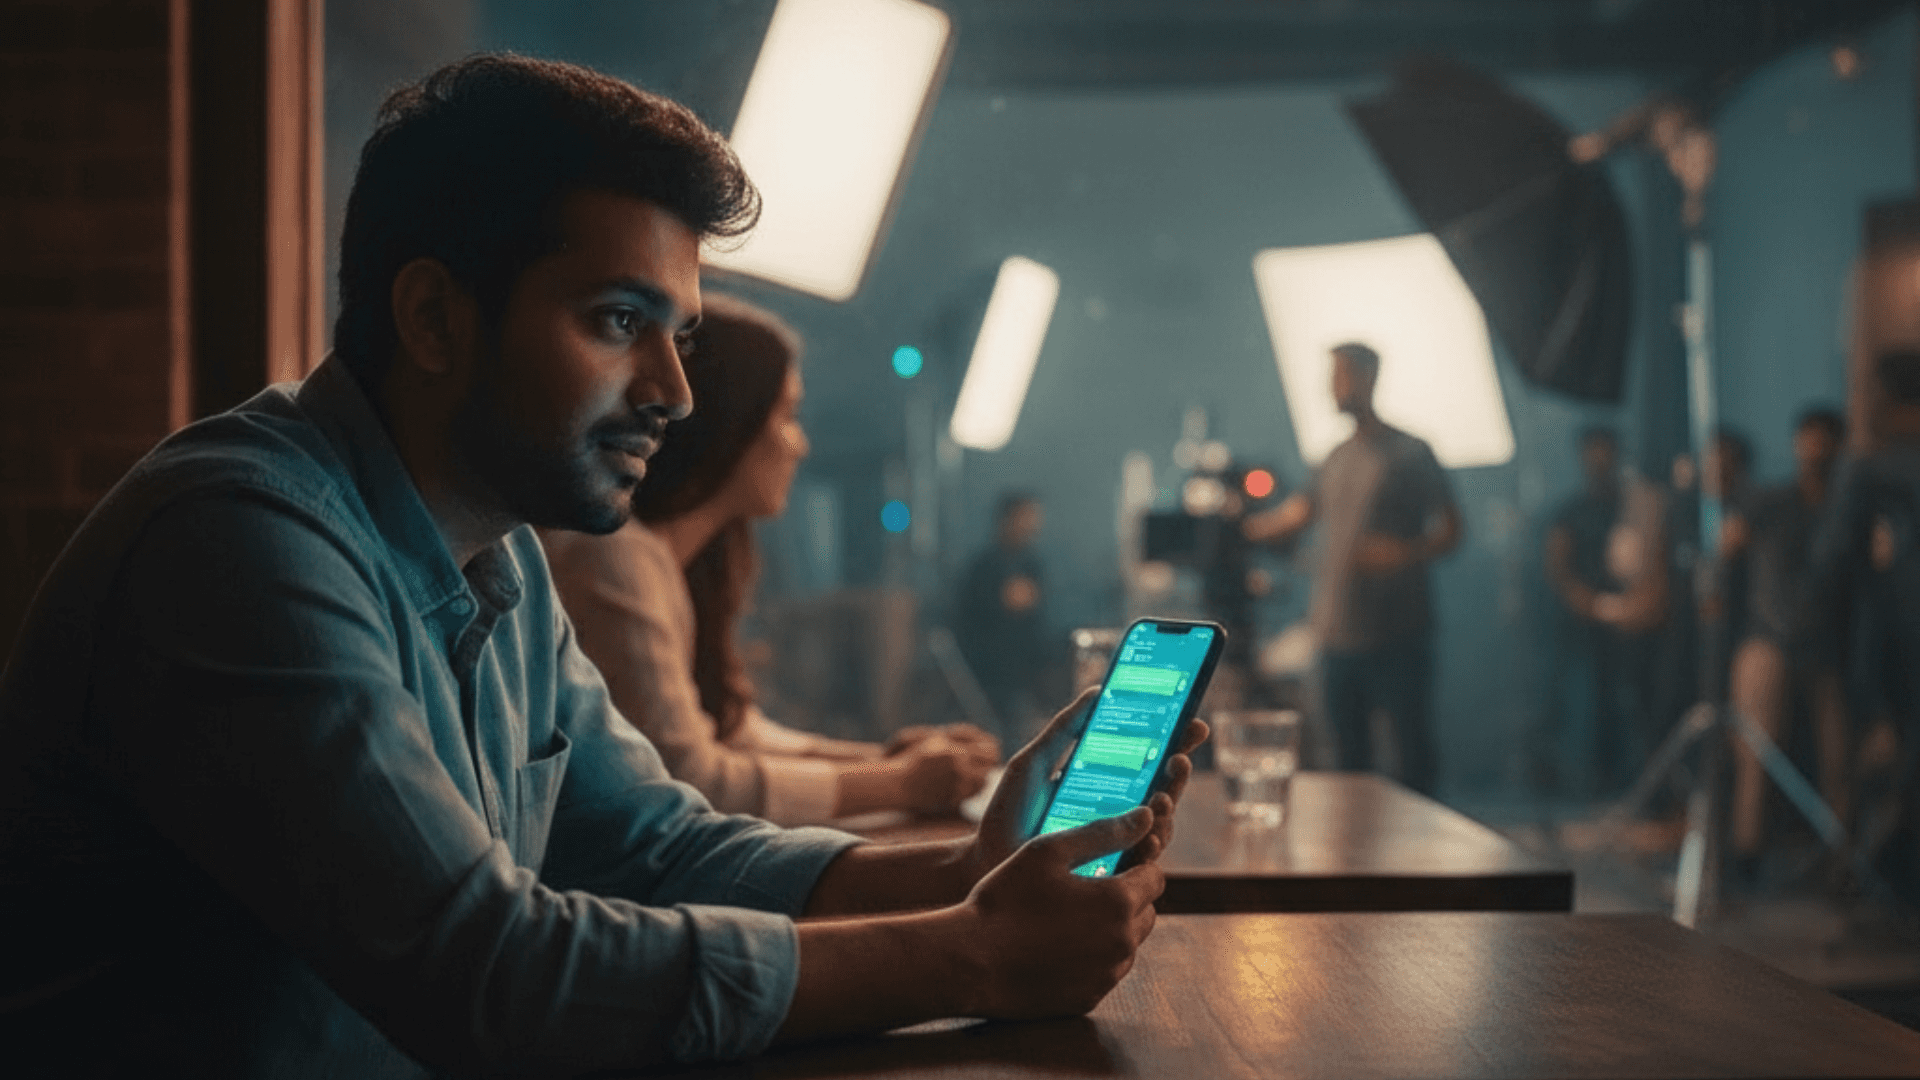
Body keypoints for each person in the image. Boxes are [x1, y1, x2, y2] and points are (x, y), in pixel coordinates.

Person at [0, 56, 1197, 1077]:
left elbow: (660, 849)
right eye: (618, 322)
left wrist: (966, 866)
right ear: (431, 319)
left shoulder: (496, 548)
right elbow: (489, 975)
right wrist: (973, 949)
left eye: (677, 337)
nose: (675, 395)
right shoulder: (237, 543)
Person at [541, 296, 998, 825]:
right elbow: (691, 778)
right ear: (729, 422)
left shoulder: (674, 562)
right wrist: (902, 782)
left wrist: (891, 761)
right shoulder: (615, 560)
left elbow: (735, 731)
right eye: (786, 415)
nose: (799, 445)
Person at [1242, 342, 1461, 796]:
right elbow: (1296, 515)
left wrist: (1405, 552)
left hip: (1398, 634)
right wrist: (1236, 525)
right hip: (1337, 635)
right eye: (1331, 379)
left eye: (1341, 377)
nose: (1333, 389)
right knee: (1345, 765)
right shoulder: (1334, 458)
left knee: (1412, 758)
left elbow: (1453, 529)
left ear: (1368, 378)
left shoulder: (1411, 453)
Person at [1725, 408, 1849, 870]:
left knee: (1840, 756)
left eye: (1825, 444)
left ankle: (1843, 858)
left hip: (1825, 646)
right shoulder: (1770, 503)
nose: (1815, 453)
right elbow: (1729, 550)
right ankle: (1746, 850)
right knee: (1756, 747)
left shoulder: (1847, 508)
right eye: (1808, 442)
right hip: (1769, 638)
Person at [1536, 428, 1669, 798]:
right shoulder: (1570, 513)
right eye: (1593, 453)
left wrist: (1631, 608)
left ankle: (1631, 784)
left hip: (1632, 626)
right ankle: (1580, 784)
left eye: (1606, 452)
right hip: (1580, 628)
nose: (1600, 460)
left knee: (1629, 704)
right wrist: (1593, 607)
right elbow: (1559, 571)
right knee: (1580, 705)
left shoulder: (1630, 507)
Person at [955, 492, 1051, 742]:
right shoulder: (984, 567)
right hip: (992, 676)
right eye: (1026, 517)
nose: (1033, 524)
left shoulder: (1033, 564)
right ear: (1006, 520)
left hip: (1026, 674)